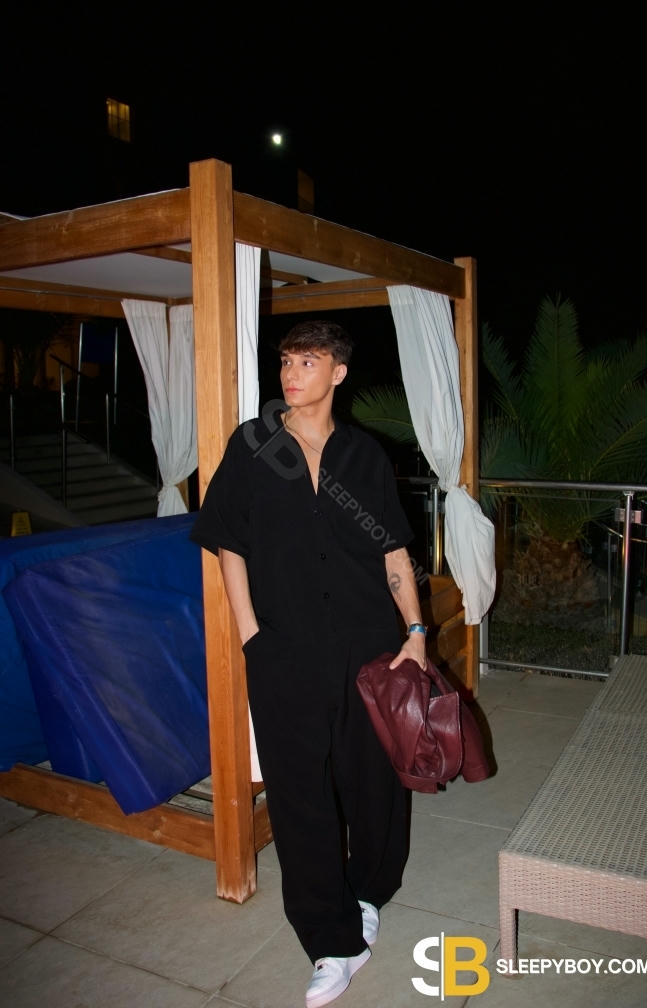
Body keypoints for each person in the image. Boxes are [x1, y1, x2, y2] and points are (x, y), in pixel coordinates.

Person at [191, 320, 427, 1008]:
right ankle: (330, 938)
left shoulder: (365, 455)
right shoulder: (253, 445)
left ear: (338, 373)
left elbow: (392, 550)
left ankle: (369, 891)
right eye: (287, 361)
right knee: (298, 792)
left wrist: (415, 631)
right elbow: (228, 543)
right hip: (284, 646)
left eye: (308, 361)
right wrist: (251, 634)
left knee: (376, 778)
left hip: (368, 643)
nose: (292, 374)